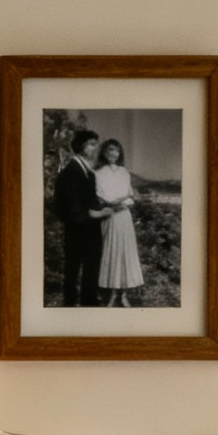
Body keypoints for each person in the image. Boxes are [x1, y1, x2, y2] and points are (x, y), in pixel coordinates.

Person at [50, 128, 103, 306]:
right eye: (91, 144)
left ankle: (87, 304)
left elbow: (88, 201)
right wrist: (95, 214)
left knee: (89, 270)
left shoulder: (87, 172)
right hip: (78, 231)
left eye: (96, 145)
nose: (95, 149)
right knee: (73, 271)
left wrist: (101, 206)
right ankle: (71, 307)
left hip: (87, 230)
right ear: (81, 146)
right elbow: (66, 206)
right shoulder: (71, 172)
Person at [93, 138, 143, 305]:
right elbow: (99, 197)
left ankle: (123, 295)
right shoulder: (99, 173)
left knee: (124, 254)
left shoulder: (125, 172)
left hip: (124, 216)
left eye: (115, 150)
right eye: (108, 150)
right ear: (104, 153)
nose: (112, 153)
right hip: (109, 216)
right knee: (111, 253)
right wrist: (111, 204)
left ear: (119, 152)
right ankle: (112, 294)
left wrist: (122, 203)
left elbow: (130, 197)